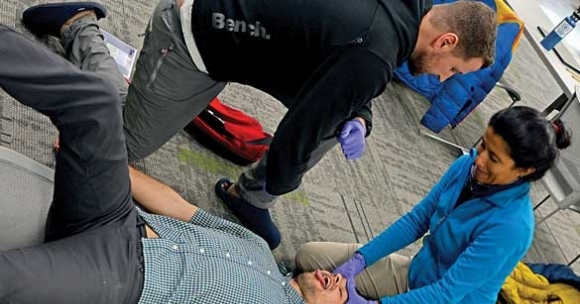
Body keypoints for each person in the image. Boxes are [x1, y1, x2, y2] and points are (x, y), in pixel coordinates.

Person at [0, 24, 350, 304]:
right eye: (341, 277)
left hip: (120, 284)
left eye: (341, 293)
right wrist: (106, 163)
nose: (337, 279)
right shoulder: (257, 246)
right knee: (95, 105)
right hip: (119, 218)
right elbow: (179, 207)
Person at [22, 0, 498, 249]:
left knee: (341, 115)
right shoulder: (373, 53)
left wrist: (360, 113)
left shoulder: (405, 12)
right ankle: (79, 26)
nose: (443, 78)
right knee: (118, 148)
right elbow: (298, 134)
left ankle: (247, 196)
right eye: (453, 69)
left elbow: (351, 74)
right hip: (193, 37)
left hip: (252, 40)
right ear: (446, 40)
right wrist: (282, 176)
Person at [294, 105, 571, 304]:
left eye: (494, 157)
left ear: (523, 171)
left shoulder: (512, 226)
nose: (479, 159)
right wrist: (360, 261)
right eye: (483, 143)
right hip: (416, 275)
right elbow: (416, 221)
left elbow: (447, 292)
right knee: (309, 256)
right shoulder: (467, 167)